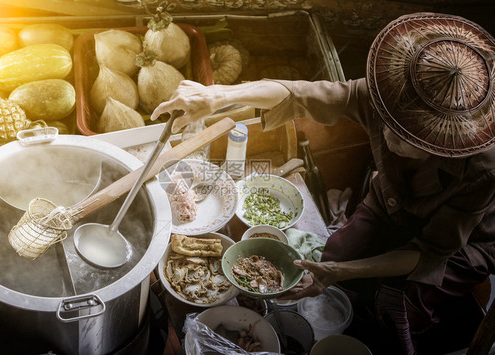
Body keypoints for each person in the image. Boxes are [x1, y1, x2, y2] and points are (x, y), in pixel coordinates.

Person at [151, 12, 495, 354]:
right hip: (389, 201)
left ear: (443, 145)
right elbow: (302, 94)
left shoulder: (481, 168)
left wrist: (341, 271)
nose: (390, 136)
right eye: (389, 123)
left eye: (409, 138)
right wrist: (219, 96)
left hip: (458, 248)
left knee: (402, 302)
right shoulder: (389, 97)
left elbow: (430, 253)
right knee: (333, 257)